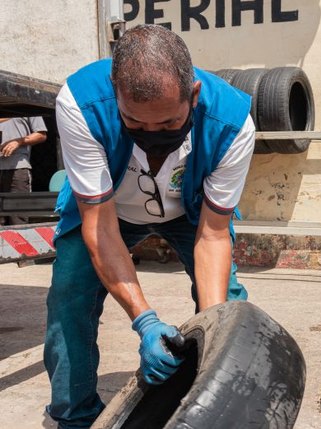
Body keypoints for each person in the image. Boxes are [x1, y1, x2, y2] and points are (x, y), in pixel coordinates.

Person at [44, 24, 255, 428]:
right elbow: (101, 228)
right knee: (69, 296)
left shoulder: (233, 124)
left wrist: (211, 336)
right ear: (114, 92)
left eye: (168, 124)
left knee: (227, 302)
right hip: (109, 212)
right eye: (135, 125)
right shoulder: (80, 103)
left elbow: (212, 235)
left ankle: (216, 399)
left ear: (193, 95)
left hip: (189, 211)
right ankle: (74, 417)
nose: (152, 137)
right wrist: (145, 322)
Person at [0, 116, 48, 224]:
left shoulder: (26, 105)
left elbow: (41, 135)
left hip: (17, 168)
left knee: (17, 217)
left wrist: (19, 141)